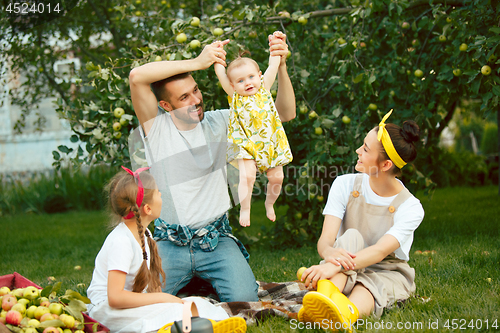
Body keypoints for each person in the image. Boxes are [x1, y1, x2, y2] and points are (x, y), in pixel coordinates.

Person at [128, 33, 295, 302]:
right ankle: (192, 284)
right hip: (171, 244)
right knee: (145, 303)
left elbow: (283, 113)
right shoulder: (156, 128)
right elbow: (137, 76)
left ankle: (200, 283)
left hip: (216, 240)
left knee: (245, 301)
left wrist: (282, 66)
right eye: (184, 97)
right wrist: (197, 61)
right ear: (165, 106)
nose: (196, 100)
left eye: (196, 89)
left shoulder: (223, 121)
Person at [298, 110, 425, 332]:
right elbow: (326, 242)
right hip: (344, 259)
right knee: (351, 237)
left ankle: (344, 312)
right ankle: (326, 297)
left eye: (365, 149)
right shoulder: (344, 185)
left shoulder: (410, 207)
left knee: (368, 286)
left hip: (386, 270)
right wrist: (330, 256)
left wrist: (333, 266)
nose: (358, 150)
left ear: (385, 165)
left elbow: (378, 252)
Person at [86, 167, 246, 333]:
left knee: (195, 303)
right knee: (174, 310)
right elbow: (115, 298)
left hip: (128, 306)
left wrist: (161, 299)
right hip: (107, 312)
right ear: (147, 208)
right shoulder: (121, 242)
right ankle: (184, 328)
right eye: (157, 193)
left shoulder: (143, 233)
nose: (161, 195)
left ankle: (211, 324)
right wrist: (162, 298)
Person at [214, 31, 293, 227]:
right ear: (233, 84)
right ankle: (246, 208)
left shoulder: (264, 87)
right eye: (240, 81)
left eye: (250, 77)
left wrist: (276, 42)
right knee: (247, 176)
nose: (247, 83)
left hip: (271, 142)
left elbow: (274, 62)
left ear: (259, 76)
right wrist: (217, 53)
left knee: (277, 178)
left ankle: (269, 203)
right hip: (245, 143)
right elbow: (220, 73)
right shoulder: (235, 95)